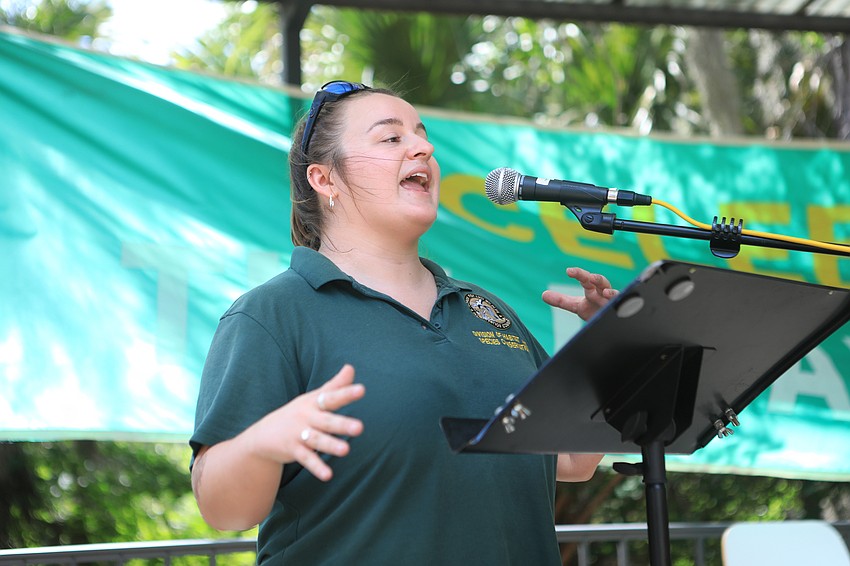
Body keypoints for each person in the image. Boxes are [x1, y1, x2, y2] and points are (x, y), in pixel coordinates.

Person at [189, 81, 616, 564]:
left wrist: (610, 347)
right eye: (391, 138)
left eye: (421, 135)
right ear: (324, 179)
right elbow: (220, 507)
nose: (424, 148)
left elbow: (573, 460)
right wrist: (261, 445)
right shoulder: (274, 313)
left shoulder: (486, 310)